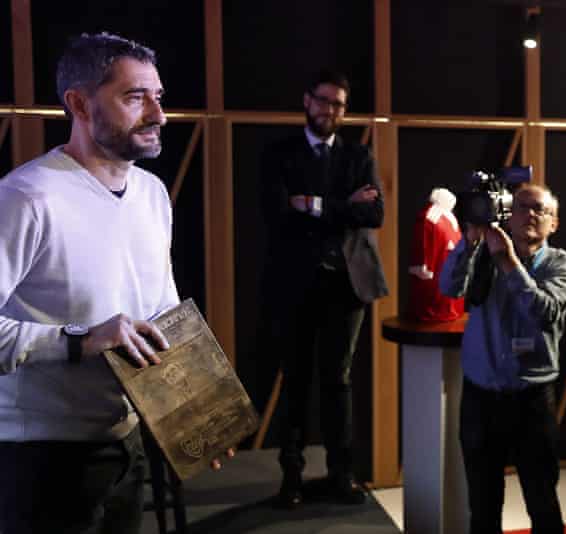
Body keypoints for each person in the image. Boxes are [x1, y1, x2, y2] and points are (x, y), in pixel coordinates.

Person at [0, 32, 229, 534]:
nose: (158, 114)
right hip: (41, 459)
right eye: (134, 97)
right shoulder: (26, 197)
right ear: (79, 104)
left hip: (126, 446)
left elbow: (162, 315)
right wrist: (78, 340)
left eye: (158, 97)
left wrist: (196, 412)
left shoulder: (151, 194)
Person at [261, 69, 388, 507]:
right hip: (294, 283)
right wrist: (343, 207)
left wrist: (313, 205)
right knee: (295, 380)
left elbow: (375, 216)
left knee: (338, 380)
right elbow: (276, 213)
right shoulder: (279, 154)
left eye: (338, 104)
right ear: (307, 101)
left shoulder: (360, 156)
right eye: (323, 101)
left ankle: (341, 476)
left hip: (346, 286)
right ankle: (291, 479)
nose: (330, 110)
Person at [440, 183, 566, 534]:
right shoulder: (483, 256)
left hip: (532, 399)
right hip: (481, 398)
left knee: (542, 501)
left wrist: (509, 262)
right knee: (483, 506)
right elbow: (449, 288)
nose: (530, 215)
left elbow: (544, 313)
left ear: (555, 223)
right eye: (522, 207)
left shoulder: (563, 265)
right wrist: (469, 242)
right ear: (508, 214)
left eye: (540, 210)